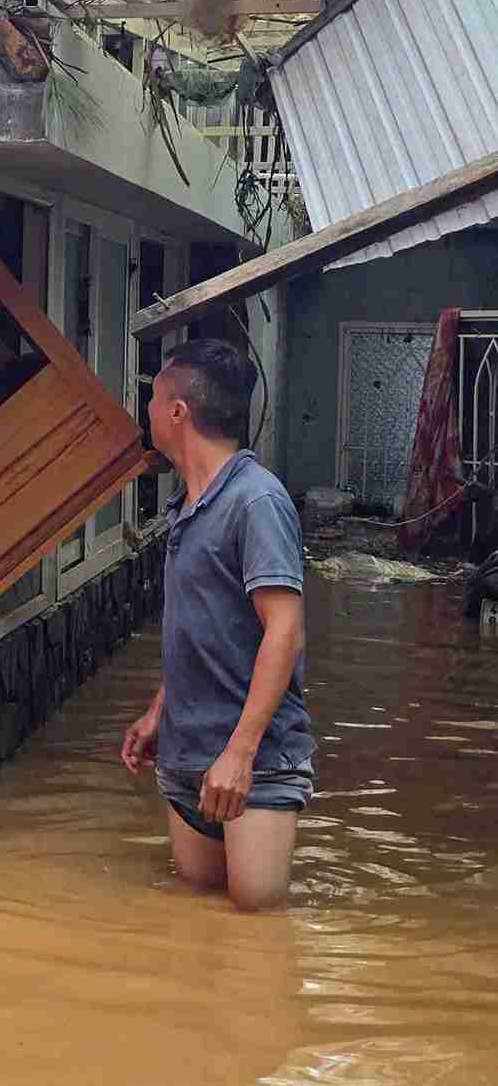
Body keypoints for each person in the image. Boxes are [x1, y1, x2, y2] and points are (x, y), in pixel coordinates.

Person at [119, 338, 313, 911]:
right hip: (185, 753)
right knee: (201, 920)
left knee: (257, 920)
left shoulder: (256, 502)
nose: (146, 411)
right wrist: (160, 711)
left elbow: (284, 630)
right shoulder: (188, 505)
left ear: (178, 412)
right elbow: (208, 627)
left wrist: (241, 753)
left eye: (152, 398)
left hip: (254, 760)